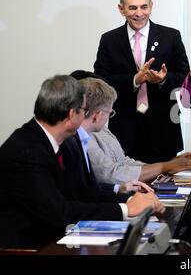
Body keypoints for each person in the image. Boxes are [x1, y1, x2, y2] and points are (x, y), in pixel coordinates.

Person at [0, 75, 164, 249]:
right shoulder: (27, 152)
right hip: (29, 247)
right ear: (72, 114)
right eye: (84, 110)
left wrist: (131, 200)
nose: (87, 115)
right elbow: (59, 213)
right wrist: (125, 209)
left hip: (54, 238)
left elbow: (83, 193)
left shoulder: (62, 141)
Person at [94, 0, 190, 164]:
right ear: (121, 9)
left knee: (165, 188)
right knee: (128, 187)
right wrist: (134, 80)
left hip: (163, 128)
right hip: (125, 128)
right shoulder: (109, 40)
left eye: (144, 7)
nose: (139, 13)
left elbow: (184, 76)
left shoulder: (171, 36)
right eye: (132, 8)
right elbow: (100, 80)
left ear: (151, 6)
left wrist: (163, 80)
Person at [76, 75, 191, 185]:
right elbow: (111, 175)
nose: (110, 116)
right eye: (110, 112)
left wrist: (167, 165)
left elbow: (124, 162)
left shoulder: (101, 130)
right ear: (98, 115)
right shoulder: (80, 137)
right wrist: (165, 166)